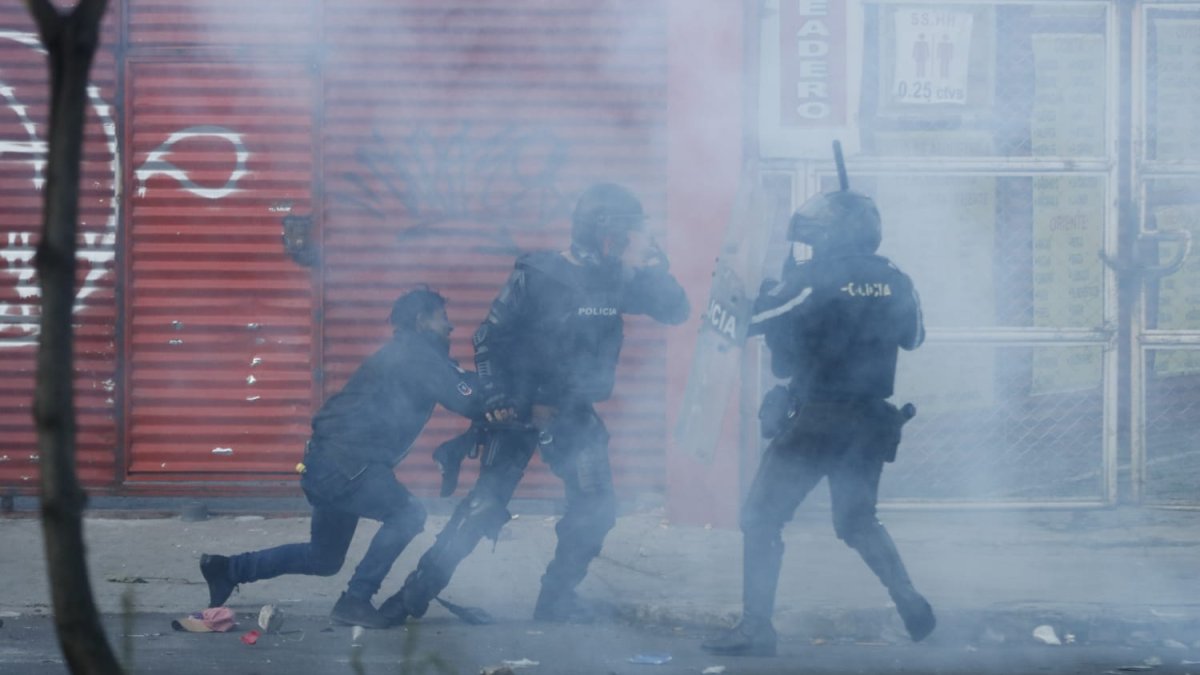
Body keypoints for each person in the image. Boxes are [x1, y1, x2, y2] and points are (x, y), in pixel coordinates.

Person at [377, 182, 690, 626]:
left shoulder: (618, 277)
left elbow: (676, 310)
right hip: (519, 413)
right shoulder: (539, 274)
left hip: (574, 414)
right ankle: (409, 598)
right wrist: (500, 396)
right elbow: (488, 335)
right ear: (599, 231)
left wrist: (658, 268)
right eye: (623, 231)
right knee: (481, 510)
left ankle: (557, 597)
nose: (629, 241)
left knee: (597, 511)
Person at [701, 188, 935, 657]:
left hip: (820, 419)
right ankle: (907, 595)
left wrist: (745, 290)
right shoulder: (897, 279)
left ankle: (755, 629)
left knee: (761, 518)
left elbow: (748, 321)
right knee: (856, 520)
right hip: (871, 420)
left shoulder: (814, 278)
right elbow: (915, 337)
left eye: (815, 238)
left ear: (832, 236)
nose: (808, 247)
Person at [198, 287, 484, 629]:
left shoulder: (410, 353)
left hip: (328, 462)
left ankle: (229, 569)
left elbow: (459, 381)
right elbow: (468, 400)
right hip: (348, 463)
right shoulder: (416, 354)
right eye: (443, 318)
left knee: (324, 558)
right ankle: (355, 599)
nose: (450, 326)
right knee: (407, 514)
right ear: (422, 320)